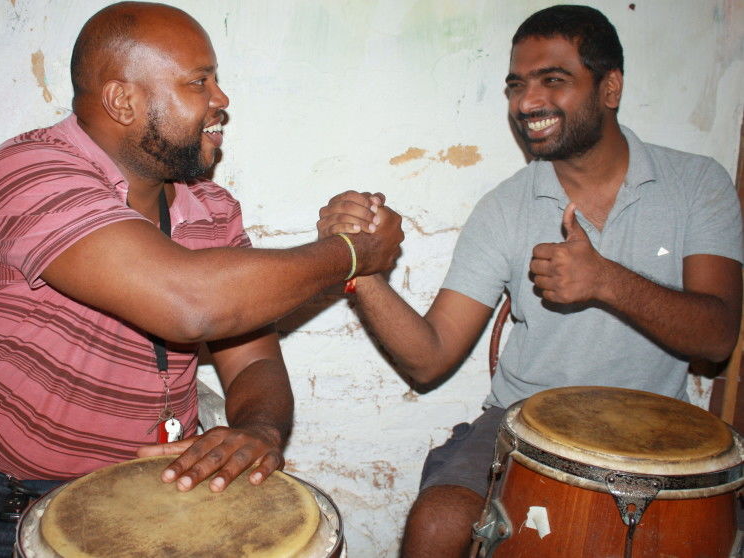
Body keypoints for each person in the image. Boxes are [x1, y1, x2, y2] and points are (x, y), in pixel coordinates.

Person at [0, 2, 403, 556]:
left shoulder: (213, 209)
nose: (221, 100)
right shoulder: (28, 172)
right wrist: (354, 253)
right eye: (200, 81)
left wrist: (260, 429)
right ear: (123, 100)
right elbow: (189, 301)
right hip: (6, 495)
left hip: (162, 491)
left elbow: (256, 359)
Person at [317, 5, 742, 557]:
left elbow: (715, 337)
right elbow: (431, 357)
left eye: (553, 81)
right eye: (517, 85)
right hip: (521, 424)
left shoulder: (696, 183)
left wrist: (605, 280)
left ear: (609, 87)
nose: (527, 103)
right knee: (438, 522)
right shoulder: (505, 207)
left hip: (656, 428)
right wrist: (362, 269)